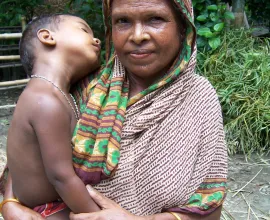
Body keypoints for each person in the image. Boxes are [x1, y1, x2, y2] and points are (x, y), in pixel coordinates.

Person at [1, 0, 228, 219]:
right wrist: (10, 203)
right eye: (123, 21)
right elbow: (28, 150)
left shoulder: (199, 99)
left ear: (183, 28)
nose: (138, 35)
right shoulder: (87, 86)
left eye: (155, 19)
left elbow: (209, 207)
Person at [1, 14, 101, 219]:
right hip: (50, 210)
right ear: (47, 37)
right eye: (84, 30)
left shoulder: (56, 95)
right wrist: (101, 216)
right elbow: (61, 177)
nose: (97, 39)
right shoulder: (46, 100)